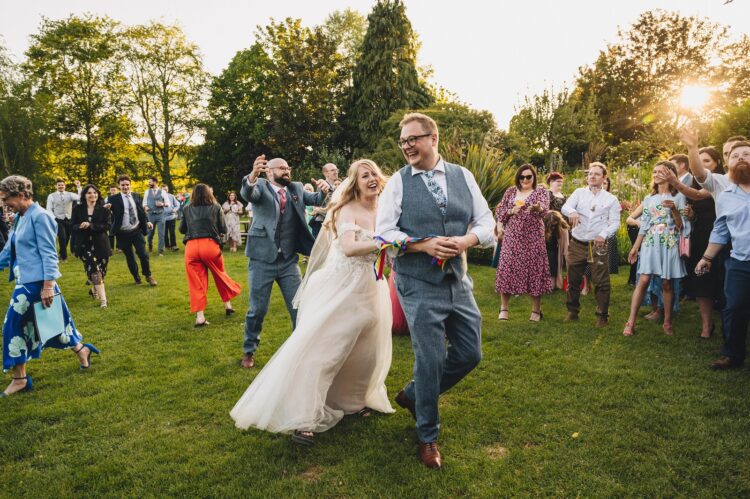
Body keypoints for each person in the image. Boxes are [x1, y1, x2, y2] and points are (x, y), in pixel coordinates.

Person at [231, 159, 393, 445]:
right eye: (363, 175)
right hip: (340, 286)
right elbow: (349, 247)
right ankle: (302, 416)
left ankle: (352, 401)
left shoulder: (387, 212)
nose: (370, 179)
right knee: (325, 350)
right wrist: (384, 242)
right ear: (354, 183)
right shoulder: (346, 210)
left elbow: (317, 199)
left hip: (370, 286)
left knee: (365, 349)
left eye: (373, 174)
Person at [376, 112, 494, 470]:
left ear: (433, 138)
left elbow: (487, 222)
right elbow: (383, 233)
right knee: (429, 359)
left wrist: (465, 241)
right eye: (403, 142)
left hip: (457, 281)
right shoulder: (397, 182)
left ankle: (414, 395)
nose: (407, 146)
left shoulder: (463, 176)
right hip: (417, 283)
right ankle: (427, 436)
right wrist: (422, 244)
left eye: (414, 139)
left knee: (470, 353)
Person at [0, 175, 100, 397]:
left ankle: (20, 379)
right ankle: (82, 350)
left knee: (13, 327)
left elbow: (49, 254)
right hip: (24, 280)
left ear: (22, 194)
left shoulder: (41, 216)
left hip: (36, 283)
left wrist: (47, 286)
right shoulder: (19, 217)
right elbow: (9, 249)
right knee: (53, 322)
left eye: (6, 198)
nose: (4, 202)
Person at [239, 155, 328, 369]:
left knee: (300, 306)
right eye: (281, 168)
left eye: (288, 167)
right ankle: (249, 350)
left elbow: (316, 199)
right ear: (269, 172)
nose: (286, 171)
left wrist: (326, 189)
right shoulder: (260, 185)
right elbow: (248, 193)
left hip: (288, 260)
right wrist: (252, 174)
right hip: (262, 259)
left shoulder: (296, 188)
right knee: (257, 310)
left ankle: (301, 350)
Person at [696, 141, 750, 369]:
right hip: (740, 261)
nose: (740, 157)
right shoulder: (726, 195)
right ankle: (732, 355)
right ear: (727, 163)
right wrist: (707, 257)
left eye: (746, 154)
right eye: (735, 155)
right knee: (734, 307)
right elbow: (721, 229)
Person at [623, 161, 688, 336]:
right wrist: (635, 247)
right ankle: (630, 322)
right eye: (654, 171)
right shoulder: (649, 199)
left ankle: (667, 323)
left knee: (667, 283)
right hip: (651, 242)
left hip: (669, 242)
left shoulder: (679, 197)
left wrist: (674, 209)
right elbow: (644, 225)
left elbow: (683, 226)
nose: (656, 174)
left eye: (661, 171)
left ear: (671, 174)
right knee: (643, 280)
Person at [561, 162, 621, 327]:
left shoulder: (611, 199)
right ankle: (572, 311)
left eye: (596, 174)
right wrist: (571, 211)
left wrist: (603, 234)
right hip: (578, 243)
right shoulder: (579, 193)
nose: (592, 176)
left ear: (604, 178)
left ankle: (602, 315)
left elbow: (615, 223)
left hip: (598, 245)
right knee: (573, 279)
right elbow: (565, 206)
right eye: (590, 174)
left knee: (601, 281)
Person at [495, 164, 551, 321]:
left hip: (533, 237)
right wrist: (511, 211)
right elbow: (501, 213)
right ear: (518, 178)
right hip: (512, 236)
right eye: (522, 177)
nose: (525, 179)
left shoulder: (541, 191)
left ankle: (536, 311)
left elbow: (545, 210)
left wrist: (537, 208)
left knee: (535, 269)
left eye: (528, 176)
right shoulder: (511, 191)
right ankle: (504, 309)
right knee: (507, 268)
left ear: (534, 177)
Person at [180, 184, 241, 327]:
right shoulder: (216, 207)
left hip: (192, 247)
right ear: (209, 193)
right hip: (210, 245)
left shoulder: (186, 209)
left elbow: (182, 229)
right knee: (220, 275)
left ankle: (200, 317)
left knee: (196, 283)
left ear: (193, 194)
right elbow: (224, 228)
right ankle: (228, 305)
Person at [106, 175, 157, 286]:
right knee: (130, 257)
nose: (125, 187)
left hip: (136, 230)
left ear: (130, 185)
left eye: (127, 185)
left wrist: (147, 221)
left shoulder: (136, 196)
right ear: (119, 186)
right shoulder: (113, 199)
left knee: (143, 254)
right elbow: (108, 213)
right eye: (123, 185)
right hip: (122, 233)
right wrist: (107, 209)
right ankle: (136, 277)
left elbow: (141, 211)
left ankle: (148, 276)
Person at [71, 185, 112, 308]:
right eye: (89, 193)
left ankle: (94, 290)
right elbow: (72, 226)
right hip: (84, 245)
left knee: (102, 272)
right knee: (95, 269)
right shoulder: (77, 209)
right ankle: (104, 301)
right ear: (84, 195)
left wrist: (91, 225)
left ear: (98, 194)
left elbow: (107, 226)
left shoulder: (104, 210)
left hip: (101, 244)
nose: (92, 195)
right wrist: (79, 226)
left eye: (94, 192)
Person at [45, 178, 82, 262]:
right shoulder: (51, 196)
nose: (61, 186)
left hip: (69, 218)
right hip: (58, 219)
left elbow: (80, 198)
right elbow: (49, 208)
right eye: (59, 185)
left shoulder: (70, 194)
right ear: (56, 186)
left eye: (62, 185)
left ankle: (61, 254)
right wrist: (54, 218)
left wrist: (78, 186)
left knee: (67, 237)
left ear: (64, 186)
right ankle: (64, 258)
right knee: (62, 237)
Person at [545, 172, 568, 290]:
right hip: (550, 229)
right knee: (551, 254)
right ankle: (549, 281)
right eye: (557, 180)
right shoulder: (547, 194)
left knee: (562, 253)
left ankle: (558, 279)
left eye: (561, 180)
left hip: (562, 228)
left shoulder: (563, 195)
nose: (560, 182)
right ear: (550, 182)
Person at [308, 163, 339, 238]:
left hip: (331, 222)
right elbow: (320, 205)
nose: (336, 172)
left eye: (336, 169)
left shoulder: (336, 186)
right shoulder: (323, 186)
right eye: (332, 170)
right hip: (321, 223)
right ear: (326, 173)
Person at [143, 176, 167, 255]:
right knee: (150, 234)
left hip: (160, 215)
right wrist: (145, 207)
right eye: (148, 182)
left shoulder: (162, 192)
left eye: (150, 182)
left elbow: (168, 203)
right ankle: (150, 248)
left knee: (161, 234)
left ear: (155, 182)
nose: (149, 183)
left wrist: (162, 204)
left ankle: (161, 251)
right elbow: (144, 203)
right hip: (150, 215)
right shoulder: (147, 192)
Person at [162, 184, 179, 252]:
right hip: (163, 218)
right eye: (163, 190)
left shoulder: (171, 196)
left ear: (168, 189)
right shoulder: (159, 197)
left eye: (166, 189)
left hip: (171, 217)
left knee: (172, 232)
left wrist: (175, 209)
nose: (165, 191)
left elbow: (177, 205)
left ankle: (173, 246)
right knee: (164, 233)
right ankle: (167, 246)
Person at [107, 186, 118, 251]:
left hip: (118, 217)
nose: (113, 191)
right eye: (112, 190)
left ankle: (118, 247)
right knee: (111, 232)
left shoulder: (120, 198)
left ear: (117, 191)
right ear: (110, 191)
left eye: (114, 190)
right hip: (110, 217)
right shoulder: (107, 198)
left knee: (119, 232)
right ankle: (111, 247)